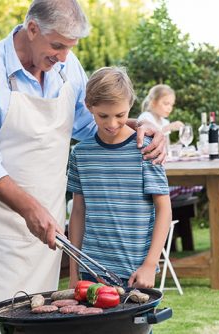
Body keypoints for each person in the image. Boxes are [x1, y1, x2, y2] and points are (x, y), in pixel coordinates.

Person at [0, 1, 165, 332]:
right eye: (57, 46)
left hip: (50, 227)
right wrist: (30, 210)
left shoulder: (66, 67)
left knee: (47, 321)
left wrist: (138, 124)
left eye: (70, 48)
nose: (64, 57)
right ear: (32, 29)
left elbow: (89, 125)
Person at [67, 67, 172, 289]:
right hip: (91, 269)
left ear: (130, 106)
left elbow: (164, 209)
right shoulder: (80, 154)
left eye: (120, 115)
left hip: (136, 271)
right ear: (89, 106)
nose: (112, 124)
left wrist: (150, 264)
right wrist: (74, 270)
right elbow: (78, 211)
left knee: (136, 325)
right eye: (103, 116)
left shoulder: (147, 149)